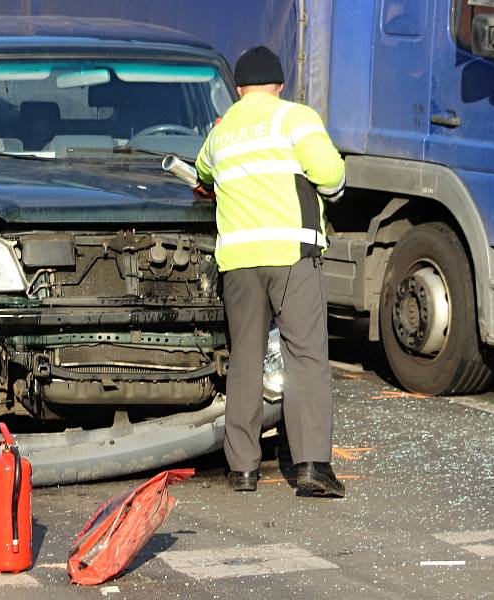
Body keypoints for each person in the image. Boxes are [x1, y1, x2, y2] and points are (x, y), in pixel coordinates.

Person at [195, 46, 346, 497]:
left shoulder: (220, 131)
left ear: (238, 89)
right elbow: (331, 176)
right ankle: (313, 468)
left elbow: (202, 173)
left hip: (239, 263)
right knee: (306, 358)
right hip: (291, 256)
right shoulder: (295, 117)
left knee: (244, 361)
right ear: (280, 85)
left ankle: (242, 469)